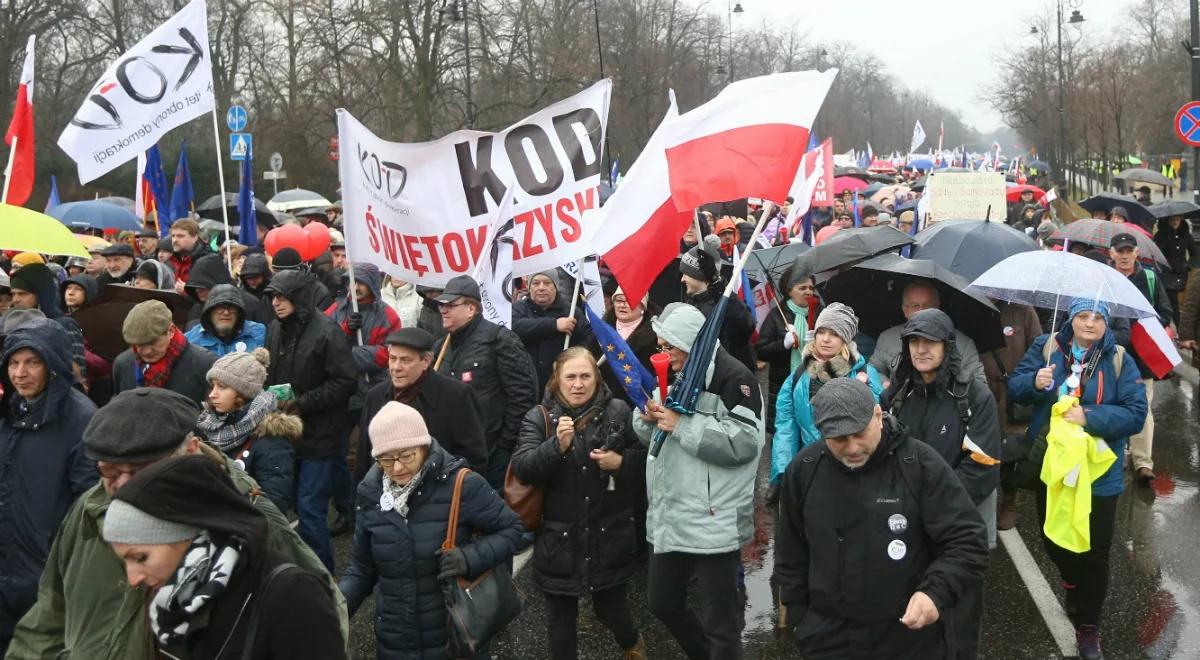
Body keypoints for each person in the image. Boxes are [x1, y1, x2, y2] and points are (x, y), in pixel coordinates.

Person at [6, 388, 347, 659]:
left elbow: (324, 620)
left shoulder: (249, 516)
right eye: (110, 473)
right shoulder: (89, 509)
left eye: (141, 472)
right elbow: (49, 616)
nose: (124, 488)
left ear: (191, 450)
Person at [774, 377, 990, 660]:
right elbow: (791, 552)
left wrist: (934, 594)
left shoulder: (920, 466)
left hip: (906, 639)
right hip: (827, 639)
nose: (852, 447)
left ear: (878, 415)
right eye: (838, 438)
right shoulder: (804, 470)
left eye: (859, 433)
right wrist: (802, 619)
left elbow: (968, 541)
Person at [1008, 299, 1147, 660]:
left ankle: (1089, 627)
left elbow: (1135, 413)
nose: (1090, 324)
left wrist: (1090, 416)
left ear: (1106, 323)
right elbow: (1015, 388)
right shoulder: (1048, 347)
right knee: (1052, 539)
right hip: (1053, 466)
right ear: (1071, 318)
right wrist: (1034, 383)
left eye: (1098, 318)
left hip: (1099, 472)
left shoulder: (1119, 358)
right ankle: (1070, 580)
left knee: (1096, 551)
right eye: (1083, 316)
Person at [101, 455, 345, 659]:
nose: (132, 578)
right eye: (125, 560)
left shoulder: (292, 594)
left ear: (192, 536)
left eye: (141, 557)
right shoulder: (170, 603)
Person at [339, 401, 524, 659]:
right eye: (386, 460)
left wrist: (469, 558)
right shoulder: (369, 493)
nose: (398, 468)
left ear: (424, 446)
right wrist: (335, 611)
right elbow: (361, 568)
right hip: (395, 641)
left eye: (406, 455)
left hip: (452, 638)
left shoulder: (462, 484)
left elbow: (513, 530)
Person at [631, 302, 763, 660]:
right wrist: (647, 418)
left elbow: (746, 443)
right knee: (662, 602)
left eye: (668, 346)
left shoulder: (736, 377)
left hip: (713, 515)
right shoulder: (675, 373)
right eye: (660, 347)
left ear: (689, 341)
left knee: (721, 624)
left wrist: (683, 425)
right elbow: (656, 437)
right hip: (672, 509)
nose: (662, 354)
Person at [511, 348, 647, 660]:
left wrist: (621, 462)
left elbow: (649, 461)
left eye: (585, 376)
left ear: (597, 379)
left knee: (612, 610)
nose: (578, 384)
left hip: (607, 535)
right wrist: (555, 446)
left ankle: (633, 644)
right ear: (557, 381)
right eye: (570, 377)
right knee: (560, 621)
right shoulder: (540, 417)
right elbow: (523, 467)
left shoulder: (619, 412)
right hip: (559, 541)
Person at [883, 309, 1001, 660]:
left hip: (958, 535)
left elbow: (982, 469)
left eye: (930, 341)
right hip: (909, 531)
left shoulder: (974, 398)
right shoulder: (896, 396)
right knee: (914, 622)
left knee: (959, 627)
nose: (921, 349)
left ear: (947, 346)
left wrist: (931, 510)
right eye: (914, 341)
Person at [0, 320, 97, 656]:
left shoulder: (80, 420)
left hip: (45, 569)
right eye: (13, 363)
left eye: (32, 362)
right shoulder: (9, 411)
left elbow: (87, 502)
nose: (20, 373)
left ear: (53, 363)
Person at [263, 270, 356, 571]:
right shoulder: (274, 329)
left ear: (299, 297)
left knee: (310, 508)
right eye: (272, 297)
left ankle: (323, 579)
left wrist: (302, 402)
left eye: (282, 296)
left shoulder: (328, 332)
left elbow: (345, 382)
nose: (276, 302)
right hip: (286, 433)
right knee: (289, 504)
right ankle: (301, 572)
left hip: (321, 435)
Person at [433, 275, 539, 491]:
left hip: (491, 452)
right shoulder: (440, 347)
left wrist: (504, 447)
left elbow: (523, 396)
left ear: (471, 309)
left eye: (451, 305)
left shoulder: (499, 339)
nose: (443, 310)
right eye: (441, 305)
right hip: (451, 452)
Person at [769, 303, 883, 502]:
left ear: (846, 339)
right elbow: (786, 426)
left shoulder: (864, 373)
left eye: (835, 334)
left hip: (854, 471)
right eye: (821, 331)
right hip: (811, 470)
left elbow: (875, 426)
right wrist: (783, 473)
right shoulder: (799, 375)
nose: (826, 339)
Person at [358, 328, 488, 483]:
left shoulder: (456, 395)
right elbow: (364, 459)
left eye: (405, 360)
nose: (396, 367)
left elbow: (474, 458)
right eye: (392, 358)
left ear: (426, 361)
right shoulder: (375, 396)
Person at [196, 349, 298, 514]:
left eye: (221, 387)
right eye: (212, 386)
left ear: (243, 392)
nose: (212, 394)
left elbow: (274, 503)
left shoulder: (272, 439)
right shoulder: (210, 425)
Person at [1108, 232, 1172, 486]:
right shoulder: (1104, 278)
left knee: (1142, 408)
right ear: (1111, 253)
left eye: (1128, 251)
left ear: (1136, 253)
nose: (1124, 256)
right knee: (1112, 404)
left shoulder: (1149, 277)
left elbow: (1166, 312)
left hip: (1143, 356)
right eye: (1119, 251)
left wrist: (1144, 327)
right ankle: (1115, 455)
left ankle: (1143, 462)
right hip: (1112, 354)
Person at [869, 280, 984, 383]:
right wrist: (886, 385)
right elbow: (873, 370)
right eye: (915, 306)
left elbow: (979, 384)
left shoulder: (964, 343)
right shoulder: (887, 338)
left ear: (938, 307)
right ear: (905, 310)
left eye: (927, 305)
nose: (922, 311)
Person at [112, 300, 217, 405]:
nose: (146, 351)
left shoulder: (205, 365)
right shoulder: (123, 364)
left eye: (152, 342)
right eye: (139, 344)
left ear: (170, 331)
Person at [679, 234, 757, 371]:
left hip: (728, 379)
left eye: (687, 274)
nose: (682, 279)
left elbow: (746, 325)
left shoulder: (724, 302)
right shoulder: (690, 301)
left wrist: (717, 283)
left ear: (702, 276)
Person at [755, 269, 818, 429]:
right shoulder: (777, 315)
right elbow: (761, 350)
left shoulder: (819, 312)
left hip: (813, 382)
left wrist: (816, 343)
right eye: (802, 288)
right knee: (786, 430)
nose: (808, 292)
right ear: (789, 291)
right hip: (783, 383)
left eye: (811, 288)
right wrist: (783, 344)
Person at [513, 269, 592, 393]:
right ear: (529, 287)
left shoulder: (570, 311)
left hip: (560, 384)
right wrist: (554, 325)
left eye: (547, 283)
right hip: (523, 384)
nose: (541, 287)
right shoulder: (518, 309)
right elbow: (516, 327)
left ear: (555, 285)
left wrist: (569, 359)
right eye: (536, 283)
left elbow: (587, 338)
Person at [9, 263, 87, 382]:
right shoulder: (11, 324)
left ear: (41, 294)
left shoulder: (65, 325)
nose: (15, 300)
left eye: (22, 294)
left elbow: (78, 373)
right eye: (13, 294)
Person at [590, 287, 658, 407]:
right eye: (619, 300)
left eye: (629, 301)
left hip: (639, 402)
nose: (623, 305)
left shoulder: (655, 335)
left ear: (642, 307)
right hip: (603, 401)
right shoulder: (600, 329)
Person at [184, 253, 272, 328]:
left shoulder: (251, 304)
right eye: (194, 287)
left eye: (202, 286)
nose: (197, 290)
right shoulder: (196, 310)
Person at [184, 283, 267, 357]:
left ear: (239, 312)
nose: (226, 313)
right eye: (220, 307)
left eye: (231, 307)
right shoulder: (190, 340)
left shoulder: (258, 333)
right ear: (209, 312)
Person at [1153, 214, 1195, 326]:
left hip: (1181, 274)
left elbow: (1194, 253)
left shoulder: (1186, 235)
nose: (1176, 222)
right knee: (1170, 302)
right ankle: (1173, 327)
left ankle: (1179, 328)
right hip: (1166, 274)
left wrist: (1187, 265)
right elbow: (1156, 254)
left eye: (1178, 219)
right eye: (1173, 219)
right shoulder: (1160, 235)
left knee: (1179, 303)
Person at [166, 219, 213, 286]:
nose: (175, 240)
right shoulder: (170, 260)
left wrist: (187, 291)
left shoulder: (209, 260)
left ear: (195, 237)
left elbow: (213, 292)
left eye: (180, 236)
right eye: (173, 236)